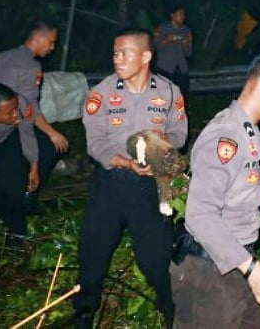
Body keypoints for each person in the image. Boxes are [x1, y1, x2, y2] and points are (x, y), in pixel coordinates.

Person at [170, 49, 260, 328]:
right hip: (208, 272)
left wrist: (251, 267)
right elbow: (200, 216)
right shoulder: (225, 137)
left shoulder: (250, 135)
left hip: (237, 261)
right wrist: (252, 269)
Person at [73, 29, 188, 328]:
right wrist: (124, 162)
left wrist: (164, 145)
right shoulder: (101, 93)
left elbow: (180, 132)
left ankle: (170, 307)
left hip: (149, 187)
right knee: (93, 251)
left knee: (155, 256)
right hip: (111, 183)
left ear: (146, 56)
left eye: (124, 53)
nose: (117, 59)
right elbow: (95, 143)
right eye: (114, 53)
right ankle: (84, 312)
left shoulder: (169, 92)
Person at [0, 20, 67, 189]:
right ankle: (25, 196)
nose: (52, 48)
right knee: (45, 149)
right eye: (51, 42)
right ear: (39, 39)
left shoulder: (4, 56)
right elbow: (30, 108)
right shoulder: (31, 67)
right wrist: (52, 133)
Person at [0, 83, 38, 254]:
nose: (16, 114)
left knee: (13, 187)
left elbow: (27, 133)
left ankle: (17, 237)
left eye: (15, 108)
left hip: (7, 143)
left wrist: (33, 166)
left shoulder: (21, 103)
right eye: (10, 112)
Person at [154, 4, 193, 97]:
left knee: (182, 95)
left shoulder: (186, 30)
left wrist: (187, 44)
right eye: (180, 14)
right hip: (165, 67)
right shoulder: (162, 28)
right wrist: (167, 40)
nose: (182, 17)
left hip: (181, 68)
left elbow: (188, 54)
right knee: (163, 96)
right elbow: (155, 47)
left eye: (183, 14)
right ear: (173, 15)